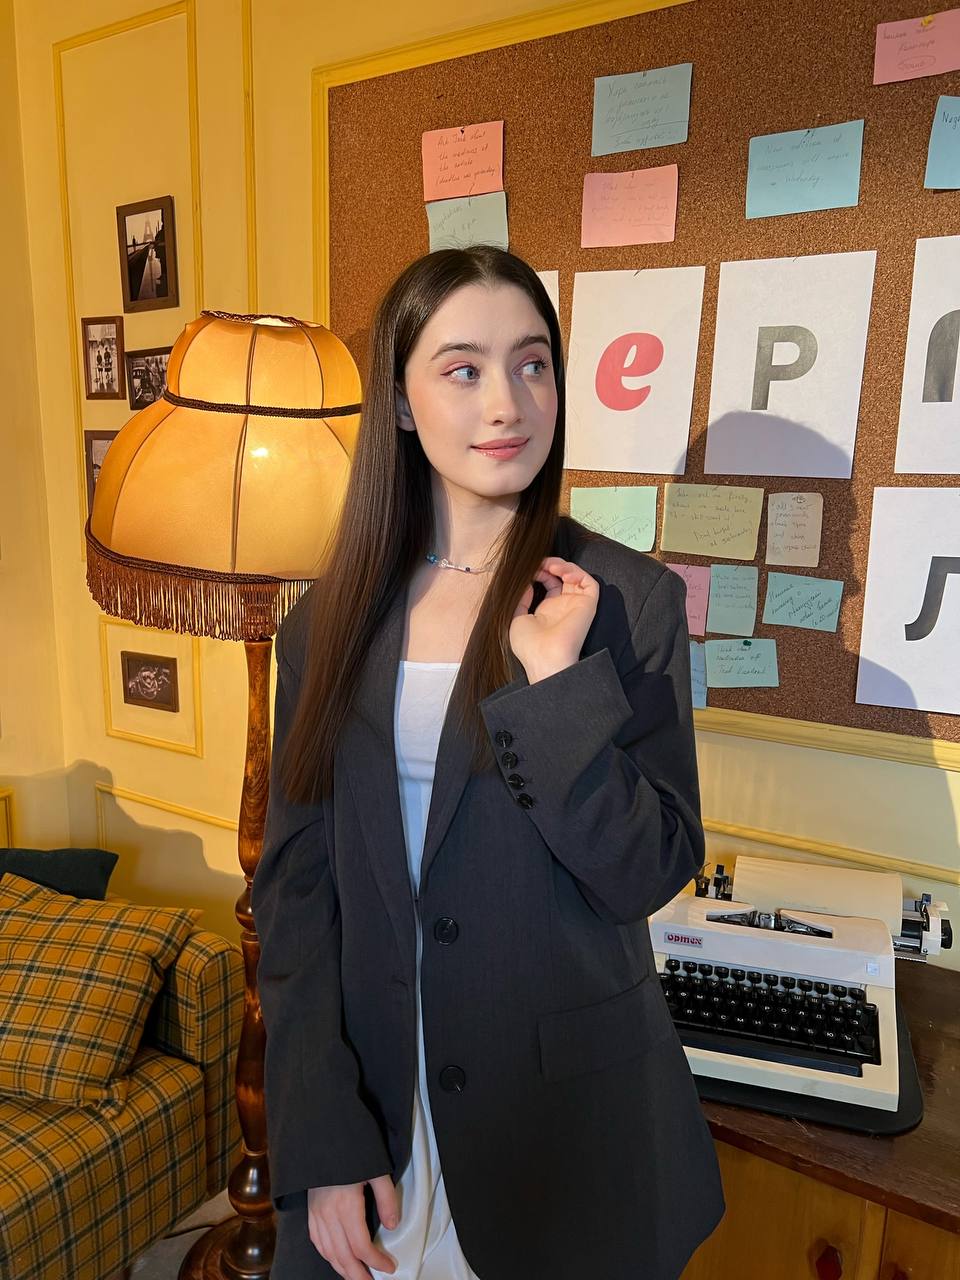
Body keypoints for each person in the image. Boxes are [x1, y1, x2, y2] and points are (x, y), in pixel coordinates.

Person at [251, 245, 725, 1280]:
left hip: (561, 1136)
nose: (508, 402)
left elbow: (646, 870)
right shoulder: (327, 622)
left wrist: (556, 691)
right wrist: (321, 1133)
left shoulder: (624, 602)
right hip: (378, 1113)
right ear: (402, 400)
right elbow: (295, 891)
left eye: (532, 363)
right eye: (463, 368)